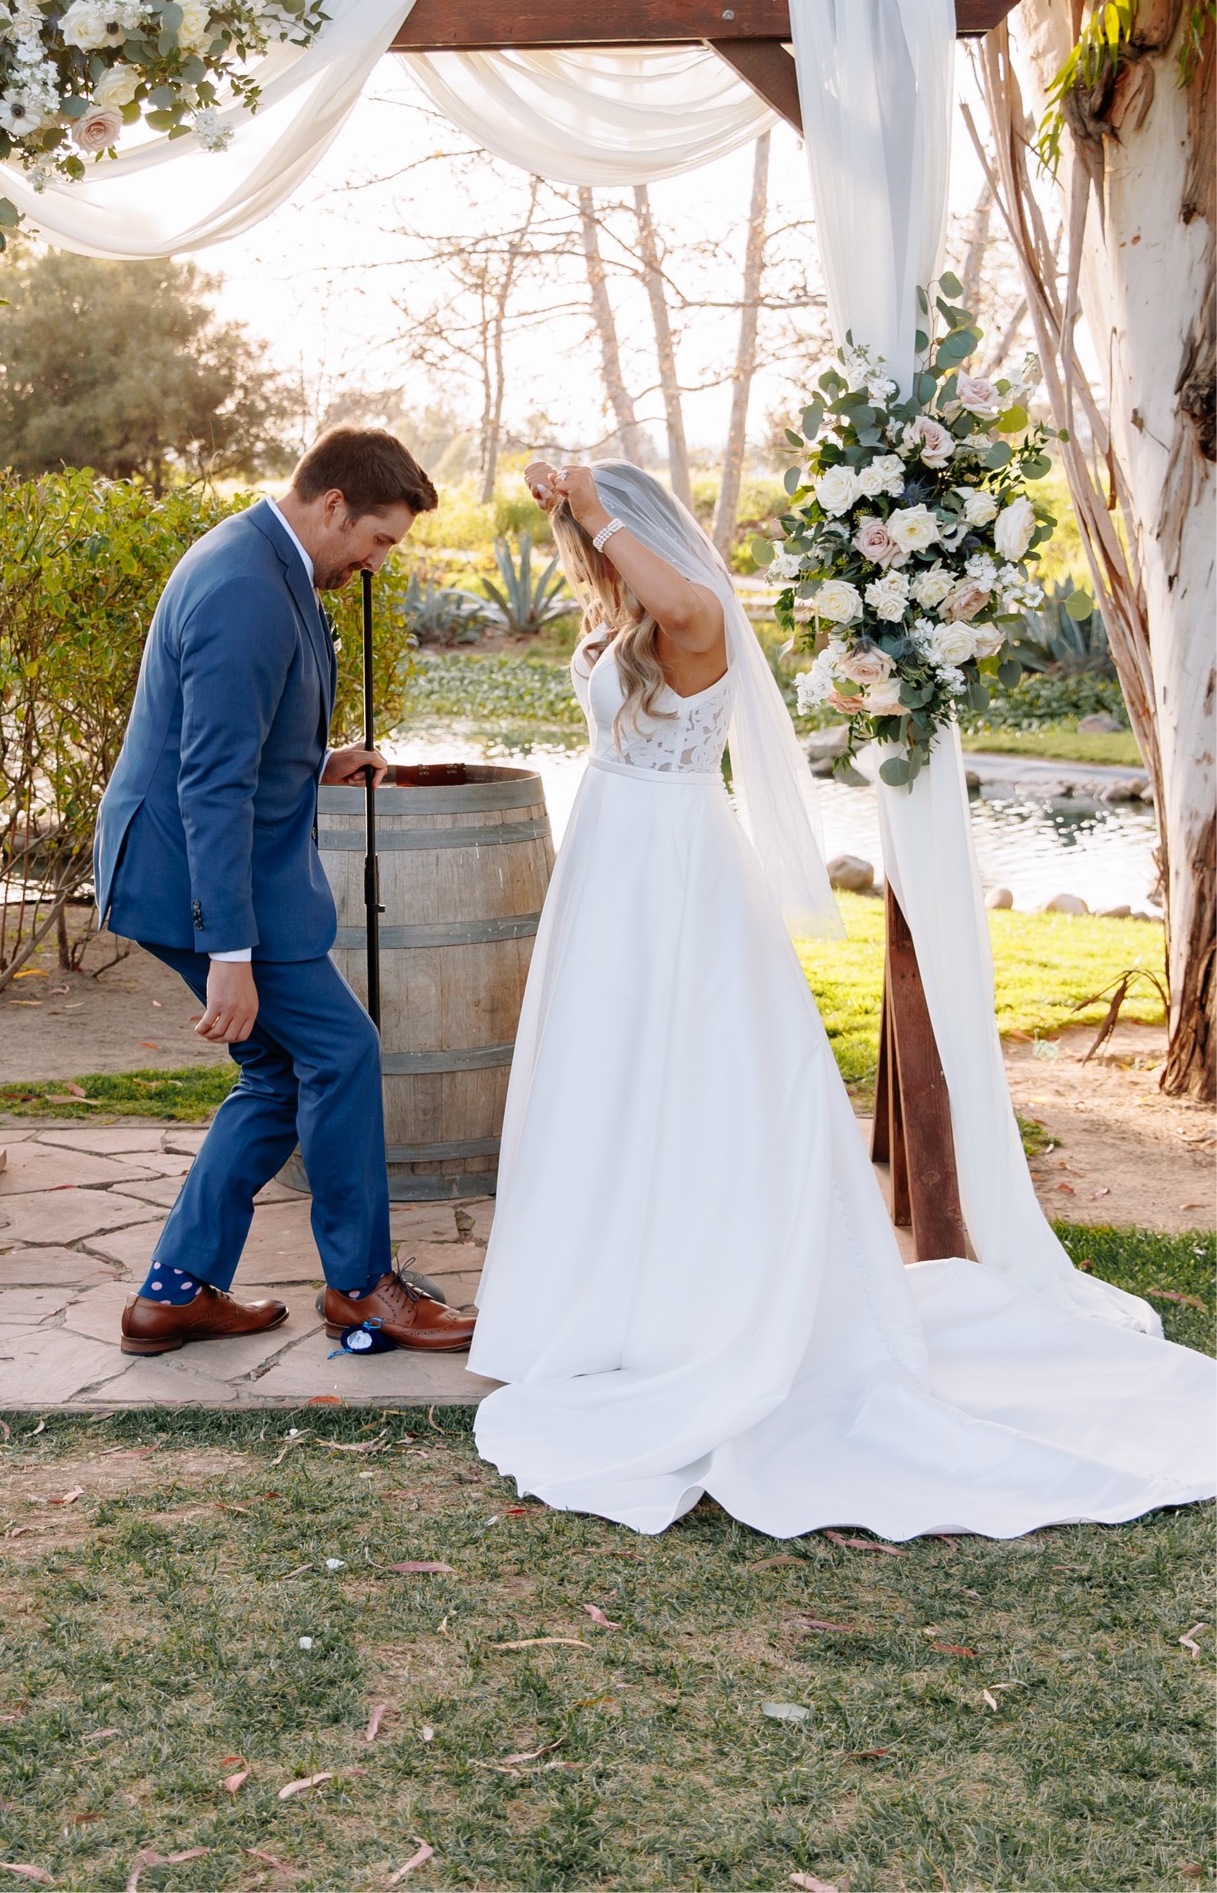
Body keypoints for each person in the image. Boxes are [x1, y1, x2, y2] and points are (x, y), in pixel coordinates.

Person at [467, 458, 1215, 1537]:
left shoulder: (697, 619)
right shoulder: (623, 621)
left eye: (596, 536)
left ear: (636, 530)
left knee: (691, 1080)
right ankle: (598, 1303)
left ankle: (693, 1309)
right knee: (606, 1083)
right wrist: (582, 531)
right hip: (611, 867)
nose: (586, 555)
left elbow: (686, 598)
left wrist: (593, 509)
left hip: (673, 870)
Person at [95, 426, 478, 1358]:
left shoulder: (270, 560)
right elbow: (210, 783)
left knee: (278, 1075)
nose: (380, 562)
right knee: (341, 1053)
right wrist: (231, 954)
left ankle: (174, 1294)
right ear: (334, 504)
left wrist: (317, 763)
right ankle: (360, 1289)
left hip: (211, 863)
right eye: (379, 539)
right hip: (197, 878)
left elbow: (239, 745)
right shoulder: (244, 589)